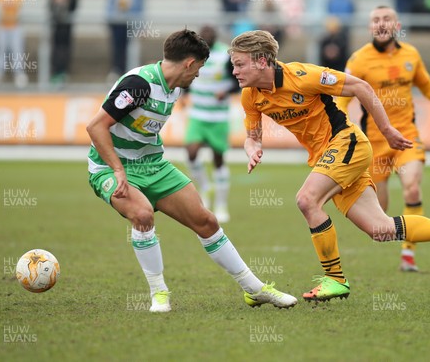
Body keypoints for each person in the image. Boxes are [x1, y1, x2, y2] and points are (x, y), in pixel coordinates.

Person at [229, 30, 430, 302]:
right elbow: (252, 137)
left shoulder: (302, 76)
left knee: (307, 200)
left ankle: (335, 279)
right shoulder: (250, 96)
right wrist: (254, 149)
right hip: (328, 158)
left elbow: (361, 87)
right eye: (233, 64)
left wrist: (387, 129)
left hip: (347, 143)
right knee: (381, 229)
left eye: (239, 64)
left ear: (262, 61)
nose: (234, 71)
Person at [86, 29, 297, 312]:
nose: (198, 75)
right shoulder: (138, 84)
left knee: (206, 221)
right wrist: (118, 171)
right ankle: (159, 293)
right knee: (143, 214)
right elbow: (95, 126)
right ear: (188, 63)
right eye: (198, 68)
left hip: (153, 164)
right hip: (111, 167)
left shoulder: (176, 86)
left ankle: (255, 289)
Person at [340, 6, 430, 272]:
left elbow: (426, 85)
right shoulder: (358, 60)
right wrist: (341, 126)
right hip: (373, 144)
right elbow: (342, 98)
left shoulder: (411, 54)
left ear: (396, 25)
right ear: (370, 27)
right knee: (380, 218)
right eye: (375, 20)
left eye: (386, 19)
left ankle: (408, 254)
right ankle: (403, 236)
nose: (381, 23)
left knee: (412, 187)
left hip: (407, 138)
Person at [183, 25, 238, 223]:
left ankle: (221, 204)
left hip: (218, 117)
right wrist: (183, 94)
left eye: (210, 36)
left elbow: (237, 81)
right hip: (197, 114)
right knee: (191, 153)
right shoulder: (192, 54)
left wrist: (227, 91)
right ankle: (204, 188)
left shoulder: (225, 56)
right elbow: (188, 77)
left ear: (215, 37)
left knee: (218, 159)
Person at [106, 0, 143, 80]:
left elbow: (140, 7)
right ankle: (117, 71)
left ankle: (130, 73)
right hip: (117, 24)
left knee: (131, 48)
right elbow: (109, 6)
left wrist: (141, 26)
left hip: (131, 23)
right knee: (117, 48)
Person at [48, 0, 78, 87]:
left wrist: (66, 0)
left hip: (67, 28)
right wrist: (57, 2)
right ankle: (55, 73)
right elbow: (50, 9)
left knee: (66, 50)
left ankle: (64, 73)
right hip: (57, 27)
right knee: (55, 50)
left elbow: (74, 8)